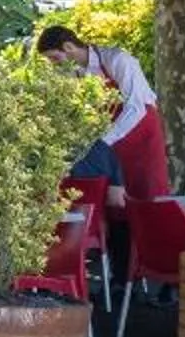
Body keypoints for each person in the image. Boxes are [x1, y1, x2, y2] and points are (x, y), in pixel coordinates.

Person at [36, 24, 168, 205]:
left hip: (141, 133)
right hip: (111, 139)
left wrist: (103, 142)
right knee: (118, 200)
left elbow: (137, 107)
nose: (54, 64)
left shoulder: (117, 60)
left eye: (54, 58)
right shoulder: (75, 73)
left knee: (148, 194)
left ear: (68, 47)